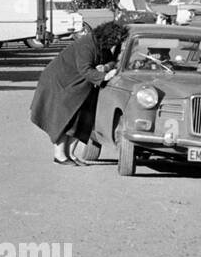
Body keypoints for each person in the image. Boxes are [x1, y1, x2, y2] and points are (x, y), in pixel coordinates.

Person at [29, 21, 130, 166]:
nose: (115, 45)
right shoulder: (87, 45)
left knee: (81, 120)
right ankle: (59, 156)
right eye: (115, 41)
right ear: (109, 37)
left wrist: (107, 66)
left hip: (79, 85)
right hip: (61, 83)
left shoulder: (101, 44)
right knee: (66, 119)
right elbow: (85, 70)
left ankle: (70, 154)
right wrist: (105, 76)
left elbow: (110, 61)